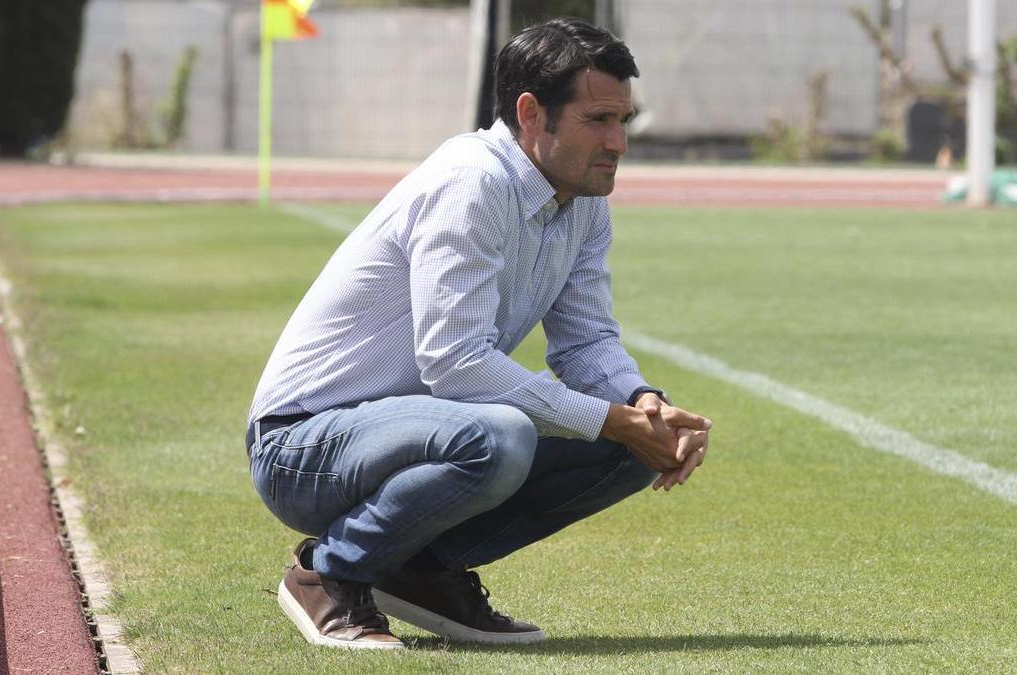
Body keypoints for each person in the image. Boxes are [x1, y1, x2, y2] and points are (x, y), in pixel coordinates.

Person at [246, 16, 713, 651]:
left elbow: (584, 343)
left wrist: (639, 404)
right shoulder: (473, 181)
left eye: (622, 121)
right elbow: (456, 364)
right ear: (531, 113)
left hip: (413, 432)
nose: (618, 142)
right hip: (302, 446)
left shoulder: (585, 200)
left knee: (628, 447)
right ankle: (328, 573)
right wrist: (605, 417)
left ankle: (417, 570)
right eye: (597, 120)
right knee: (501, 435)